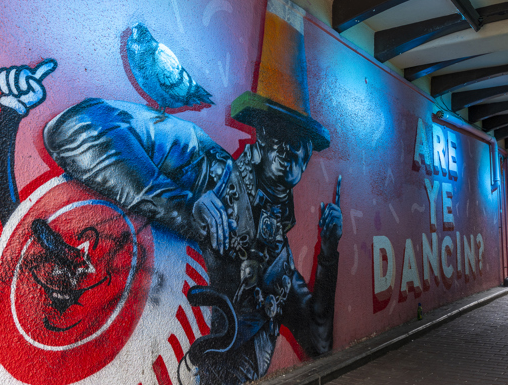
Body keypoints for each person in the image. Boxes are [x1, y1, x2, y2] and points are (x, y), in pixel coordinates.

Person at [38, 91, 342, 384]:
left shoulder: (279, 259)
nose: (287, 149)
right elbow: (76, 126)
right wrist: (184, 207)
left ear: (307, 157)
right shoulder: (206, 165)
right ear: (261, 135)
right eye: (278, 134)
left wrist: (328, 253)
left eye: (299, 142)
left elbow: (319, 341)